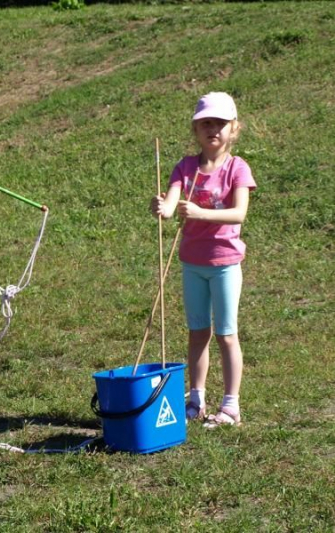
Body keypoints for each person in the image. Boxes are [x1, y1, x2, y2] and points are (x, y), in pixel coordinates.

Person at [150, 92, 256, 428]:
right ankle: (195, 401)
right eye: (206, 123)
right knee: (197, 332)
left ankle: (231, 406)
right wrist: (162, 208)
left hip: (225, 264)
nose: (213, 129)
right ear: (196, 129)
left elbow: (239, 213)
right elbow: (171, 204)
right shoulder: (185, 167)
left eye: (220, 123)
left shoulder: (236, 168)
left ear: (233, 129)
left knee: (226, 334)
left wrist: (200, 212)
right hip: (192, 264)